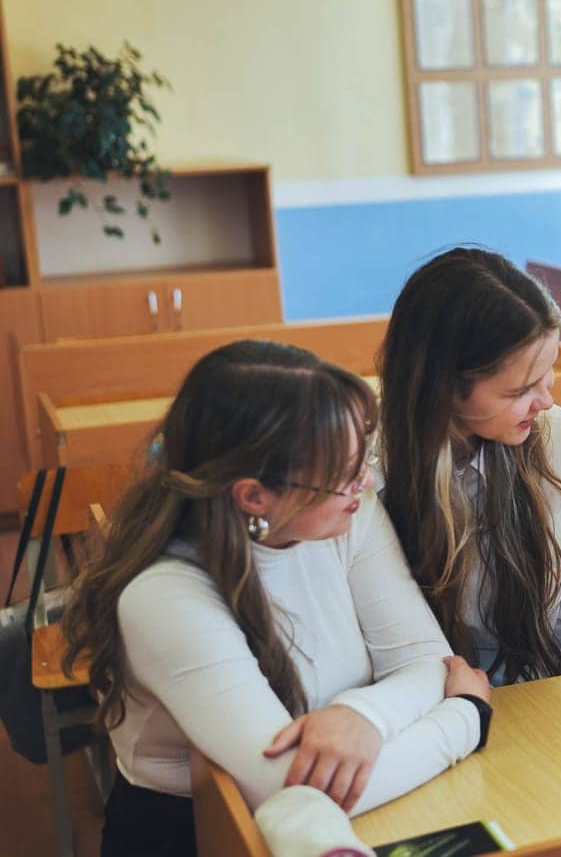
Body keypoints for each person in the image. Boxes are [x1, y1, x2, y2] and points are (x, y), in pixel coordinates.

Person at [61, 341, 490, 857]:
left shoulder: (348, 514)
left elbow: (426, 660)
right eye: (344, 475)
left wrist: (362, 716)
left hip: (368, 799)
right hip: (197, 836)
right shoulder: (163, 597)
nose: (367, 481)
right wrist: (466, 716)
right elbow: (300, 796)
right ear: (254, 497)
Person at [379, 248, 561, 684]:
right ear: (444, 388)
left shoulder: (557, 438)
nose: (547, 401)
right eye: (518, 390)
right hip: (417, 707)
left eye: (549, 372)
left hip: (540, 700)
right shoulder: (365, 474)